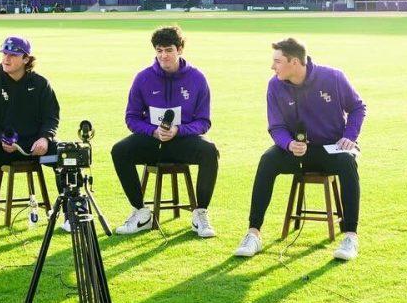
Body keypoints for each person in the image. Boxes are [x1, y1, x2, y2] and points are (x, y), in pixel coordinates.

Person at [234, 37, 366, 262]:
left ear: (294, 62)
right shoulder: (274, 85)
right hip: (295, 150)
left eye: (277, 61)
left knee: (347, 163)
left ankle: (350, 236)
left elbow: (357, 107)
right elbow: (276, 126)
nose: (272, 66)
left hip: (330, 148)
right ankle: (253, 233)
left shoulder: (333, 77)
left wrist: (349, 137)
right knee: (267, 160)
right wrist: (288, 144)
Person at [111, 25, 219, 238]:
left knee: (209, 151)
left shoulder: (197, 78)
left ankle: (201, 214)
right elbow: (131, 117)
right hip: (152, 141)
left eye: (168, 50)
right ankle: (141, 213)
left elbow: (204, 121)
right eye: (159, 50)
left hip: (182, 141)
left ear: (180, 49)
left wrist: (179, 130)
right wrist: (152, 131)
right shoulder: (142, 78)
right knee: (119, 150)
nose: (163, 55)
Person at [0, 36, 60, 236]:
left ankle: (68, 213)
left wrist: (46, 138)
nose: (7, 58)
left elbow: (51, 116)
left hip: (35, 147)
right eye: (5, 53)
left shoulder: (41, 84)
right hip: (2, 145)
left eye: (13, 54)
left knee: (64, 155)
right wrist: (0, 138)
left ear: (26, 59)